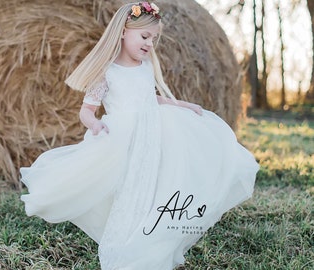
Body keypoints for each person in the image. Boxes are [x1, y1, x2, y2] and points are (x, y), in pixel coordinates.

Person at [20, 2, 259, 269]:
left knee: (154, 187)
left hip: (152, 136)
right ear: (123, 31)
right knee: (128, 192)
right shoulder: (107, 72)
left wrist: (182, 104)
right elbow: (86, 111)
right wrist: (95, 125)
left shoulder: (145, 68)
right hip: (123, 138)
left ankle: (153, 241)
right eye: (145, 36)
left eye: (154, 39)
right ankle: (123, 246)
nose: (150, 44)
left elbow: (150, 99)